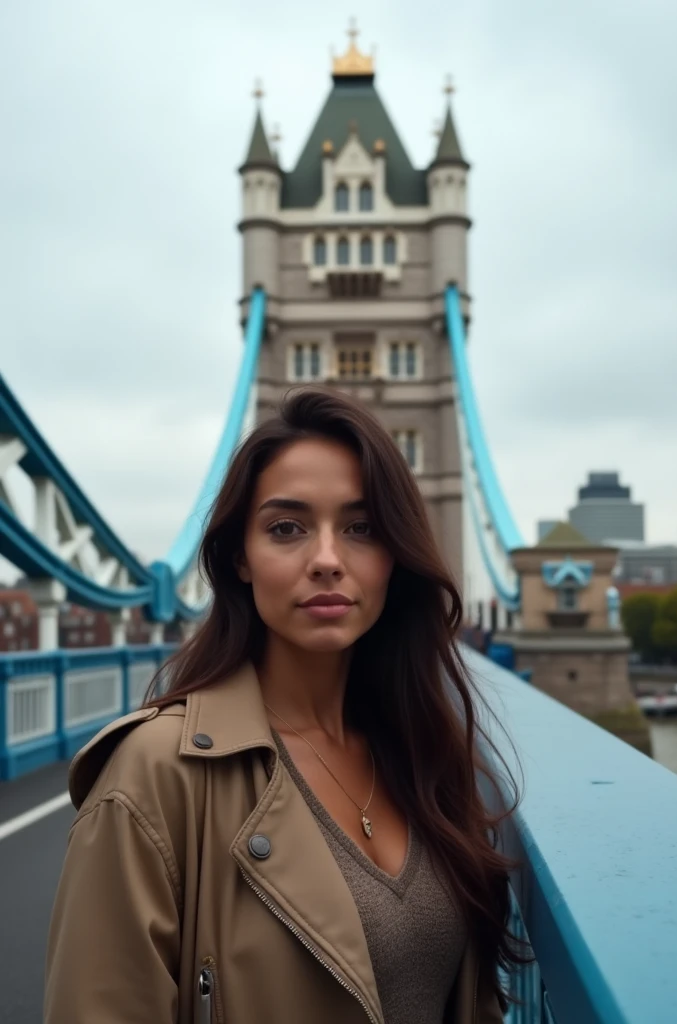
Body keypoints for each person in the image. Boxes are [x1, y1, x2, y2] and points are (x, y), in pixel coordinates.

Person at [45, 387, 524, 1023]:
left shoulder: (424, 754)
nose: (327, 560)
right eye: (286, 528)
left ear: (395, 558)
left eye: (362, 527)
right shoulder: (151, 781)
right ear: (240, 557)